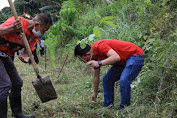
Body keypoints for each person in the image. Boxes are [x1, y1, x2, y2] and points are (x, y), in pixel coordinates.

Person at [0, 13, 52, 118]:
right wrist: (12, 28)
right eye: (44, 30)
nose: (42, 33)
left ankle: (17, 112)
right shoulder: (17, 22)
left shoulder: (33, 36)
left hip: (5, 55)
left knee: (17, 82)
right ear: (37, 24)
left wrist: (25, 56)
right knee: (5, 85)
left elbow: (27, 50)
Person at [74, 39, 144, 109]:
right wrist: (95, 93)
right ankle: (108, 106)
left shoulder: (100, 46)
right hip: (122, 61)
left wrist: (99, 63)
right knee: (107, 80)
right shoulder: (93, 56)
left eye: (82, 59)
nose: (83, 61)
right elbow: (96, 75)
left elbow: (116, 57)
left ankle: (125, 108)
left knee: (124, 80)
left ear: (88, 54)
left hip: (134, 55)